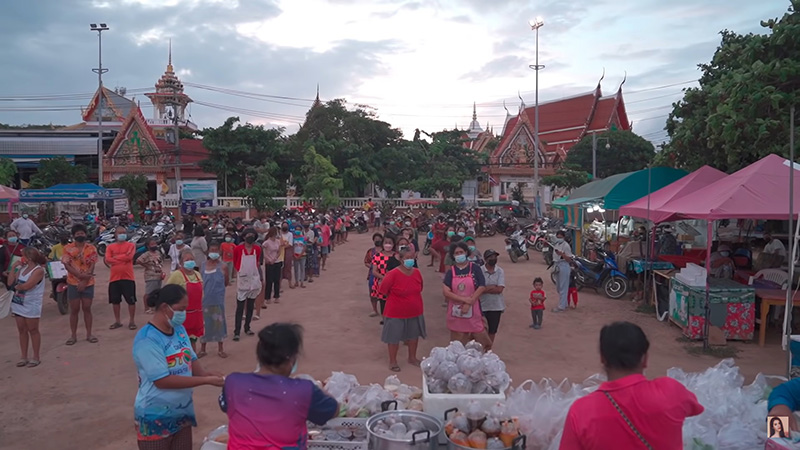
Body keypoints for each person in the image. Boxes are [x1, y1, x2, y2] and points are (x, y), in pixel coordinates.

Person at [559, 321, 703, 449]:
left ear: (603, 358)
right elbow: (695, 408)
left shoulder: (580, 412)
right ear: (645, 359)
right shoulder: (671, 392)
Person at [132, 284, 225, 450]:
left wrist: (206, 374)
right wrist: (205, 381)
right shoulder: (147, 339)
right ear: (164, 307)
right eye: (181, 309)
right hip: (155, 418)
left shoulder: (179, 330)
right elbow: (162, 381)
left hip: (182, 413)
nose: (183, 314)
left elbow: (191, 358)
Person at [219, 323, 338, 449]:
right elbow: (332, 410)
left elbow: (226, 406)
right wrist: (320, 390)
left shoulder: (233, 383)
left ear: (259, 355)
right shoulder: (304, 390)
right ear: (291, 358)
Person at [379, 246, 426, 372]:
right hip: (395, 312)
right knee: (393, 337)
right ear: (400, 259)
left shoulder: (417, 273)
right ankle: (393, 361)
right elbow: (383, 290)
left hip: (415, 310)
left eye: (412, 257)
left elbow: (420, 288)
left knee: (413, 335)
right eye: (407, 258)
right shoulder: (392, 274)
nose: (410, 260)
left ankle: (412, 358)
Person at [442, 241, 491, 350]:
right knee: (457, 346)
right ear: (453, 256)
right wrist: (465, 300)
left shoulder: (475, 268)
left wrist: (470, 302)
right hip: (456, 313)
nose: (459, 255)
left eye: (461, 252)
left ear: (466, 252)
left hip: (474, 311)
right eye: (456, 253)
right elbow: (446, 291)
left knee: (482, 341)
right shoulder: (451, 272)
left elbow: (482, 286)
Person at [9, 247, 47, 368]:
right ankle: (23, 356)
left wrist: (17, 287)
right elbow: (10, 283)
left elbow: (27, 286)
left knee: (33, 330)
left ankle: (36, 357)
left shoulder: (38, 270)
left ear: (29, 257)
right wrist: (13, 268)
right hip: (18, 303)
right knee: (22, 330)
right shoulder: (22, 269)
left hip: (31, 304)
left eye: (23, 255)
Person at [62, 224, 98, 345]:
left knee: (87, 308)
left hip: (88, 282)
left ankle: (89, 334)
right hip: (73, 282)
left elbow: (92, 265)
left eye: (82, 233)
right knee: (74, 309)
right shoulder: (67, 248)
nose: (80, 235)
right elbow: (66, 265)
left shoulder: (91, 248)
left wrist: (84, 281)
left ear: (85, 234)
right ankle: (73, 336)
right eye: (78, 234)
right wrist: (80, 276)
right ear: (74, 235)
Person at [166, 249, 204, 351]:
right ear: (181, 262)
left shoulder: (197, 274)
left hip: (196, 314)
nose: (190, 261)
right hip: (182, 315)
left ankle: (192, 358)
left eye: (192, 259)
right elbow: (167, 291)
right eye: (187, 260)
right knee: (180, 341)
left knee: (193, 340)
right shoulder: (176, 275)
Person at [199, 241, 229, 359]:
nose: (214, 253)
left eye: (216, 250)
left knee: (219, 323)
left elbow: (226, 282)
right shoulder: (202, 266)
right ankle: (203, 349)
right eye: (212, 250)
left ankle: (220, 349)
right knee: (204, 324)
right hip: (204, 300)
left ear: (220, 252)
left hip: (217, 299)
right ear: (208, 252)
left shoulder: (223, 266)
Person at [106, 225, 138, 330]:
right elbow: (108, 259)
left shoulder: (131, 245)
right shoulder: (110, 247)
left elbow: (130, 257)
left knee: (131, 301)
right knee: (115, 301)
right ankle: (117, 321)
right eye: (120, 233)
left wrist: (115, 257)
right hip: (114, 278)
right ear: (115, 235)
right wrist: (124, 257)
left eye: (123, 233)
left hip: (128, 278)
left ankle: (132, 321)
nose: (122, 235)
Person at [233, 228, 262, 340]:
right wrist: (240, 272)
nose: (250, 237)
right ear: (244, 236)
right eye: (248, 235)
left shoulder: (257, 249)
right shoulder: (238, 249)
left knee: (250, 306)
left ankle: (247, 327)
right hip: (243, 279)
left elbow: (258, 261)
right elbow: (235, 262)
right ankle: (237, 331)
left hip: (253, 279)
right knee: (240, 307)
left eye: (252, 235)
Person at [480, 249, 505, 342]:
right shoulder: (480, 271)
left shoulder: (500, 271)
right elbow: (478, 288)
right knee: (480, 330)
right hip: (482, 306)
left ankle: (488, 348)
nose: (493, 258)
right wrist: (492, 287)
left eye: (495, 257)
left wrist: (484, 288)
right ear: (485, 259)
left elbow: (499, 289)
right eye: (491, 257)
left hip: (496, 307)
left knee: (492, 331)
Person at [371, 235, 396, 320]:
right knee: (383, 303)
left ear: (393, 244)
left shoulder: (397, 255)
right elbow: (374, 271)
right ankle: (385, 320)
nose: (388, 245)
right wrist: (384, 278)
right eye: (386, 242)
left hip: (395, 283)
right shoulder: (377, 256)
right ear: (382, 244)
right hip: (381, 283)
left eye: (390, 243)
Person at [137, 238, 164, 315]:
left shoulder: (158, 253)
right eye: (152, 244)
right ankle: (146, 308)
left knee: (157, 292)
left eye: (155, 244)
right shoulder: (147, 254)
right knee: (149, 292)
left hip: (158, 275)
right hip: (150, 276)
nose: (154, 245)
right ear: (148, 246)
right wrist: (146, 266)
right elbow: (138, 260)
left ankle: (155, 307)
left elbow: (160, 263)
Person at [552, 230, 573, 313]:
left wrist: (562, 254)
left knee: (563, 287)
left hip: (564, 265)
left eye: (560, 237)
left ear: (563, 237)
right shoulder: (556, 244)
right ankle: (565, 303)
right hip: (557, 265)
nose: (559, 238)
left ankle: (561, 307)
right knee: (558, 287)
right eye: (558, 237)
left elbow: (569, 259)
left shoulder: (566, 246)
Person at [262, 227, 283, 304]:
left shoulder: (278, 241)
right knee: (269, 280)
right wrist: (269, 259)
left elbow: (279, 251)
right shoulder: (266, 243)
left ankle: (276, 296)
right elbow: (264, 253)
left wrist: (275, 258)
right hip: (269, 262)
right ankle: (267, 297)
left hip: (277, 261)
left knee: (277, 280)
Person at [365, 233, 383, 317]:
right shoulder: (370, 251)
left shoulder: (385, 251)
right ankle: (375, 310)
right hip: (372, 275)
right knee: (372, 293)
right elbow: (366, 262)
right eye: (376, 239)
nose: (377, 240)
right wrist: (373, 267)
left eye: (379, 239)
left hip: (383, 274)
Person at [280, 222, 294, 290]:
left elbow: (290, 244)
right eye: (284, 226)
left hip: (287, 252)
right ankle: (279, 284)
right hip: (280, 252)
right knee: (280, 268)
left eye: (286, 226)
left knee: (288, 267)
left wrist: (282, 247)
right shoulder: (279, 234)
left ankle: (290, 283)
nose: (285, 227)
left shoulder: (290, 234)